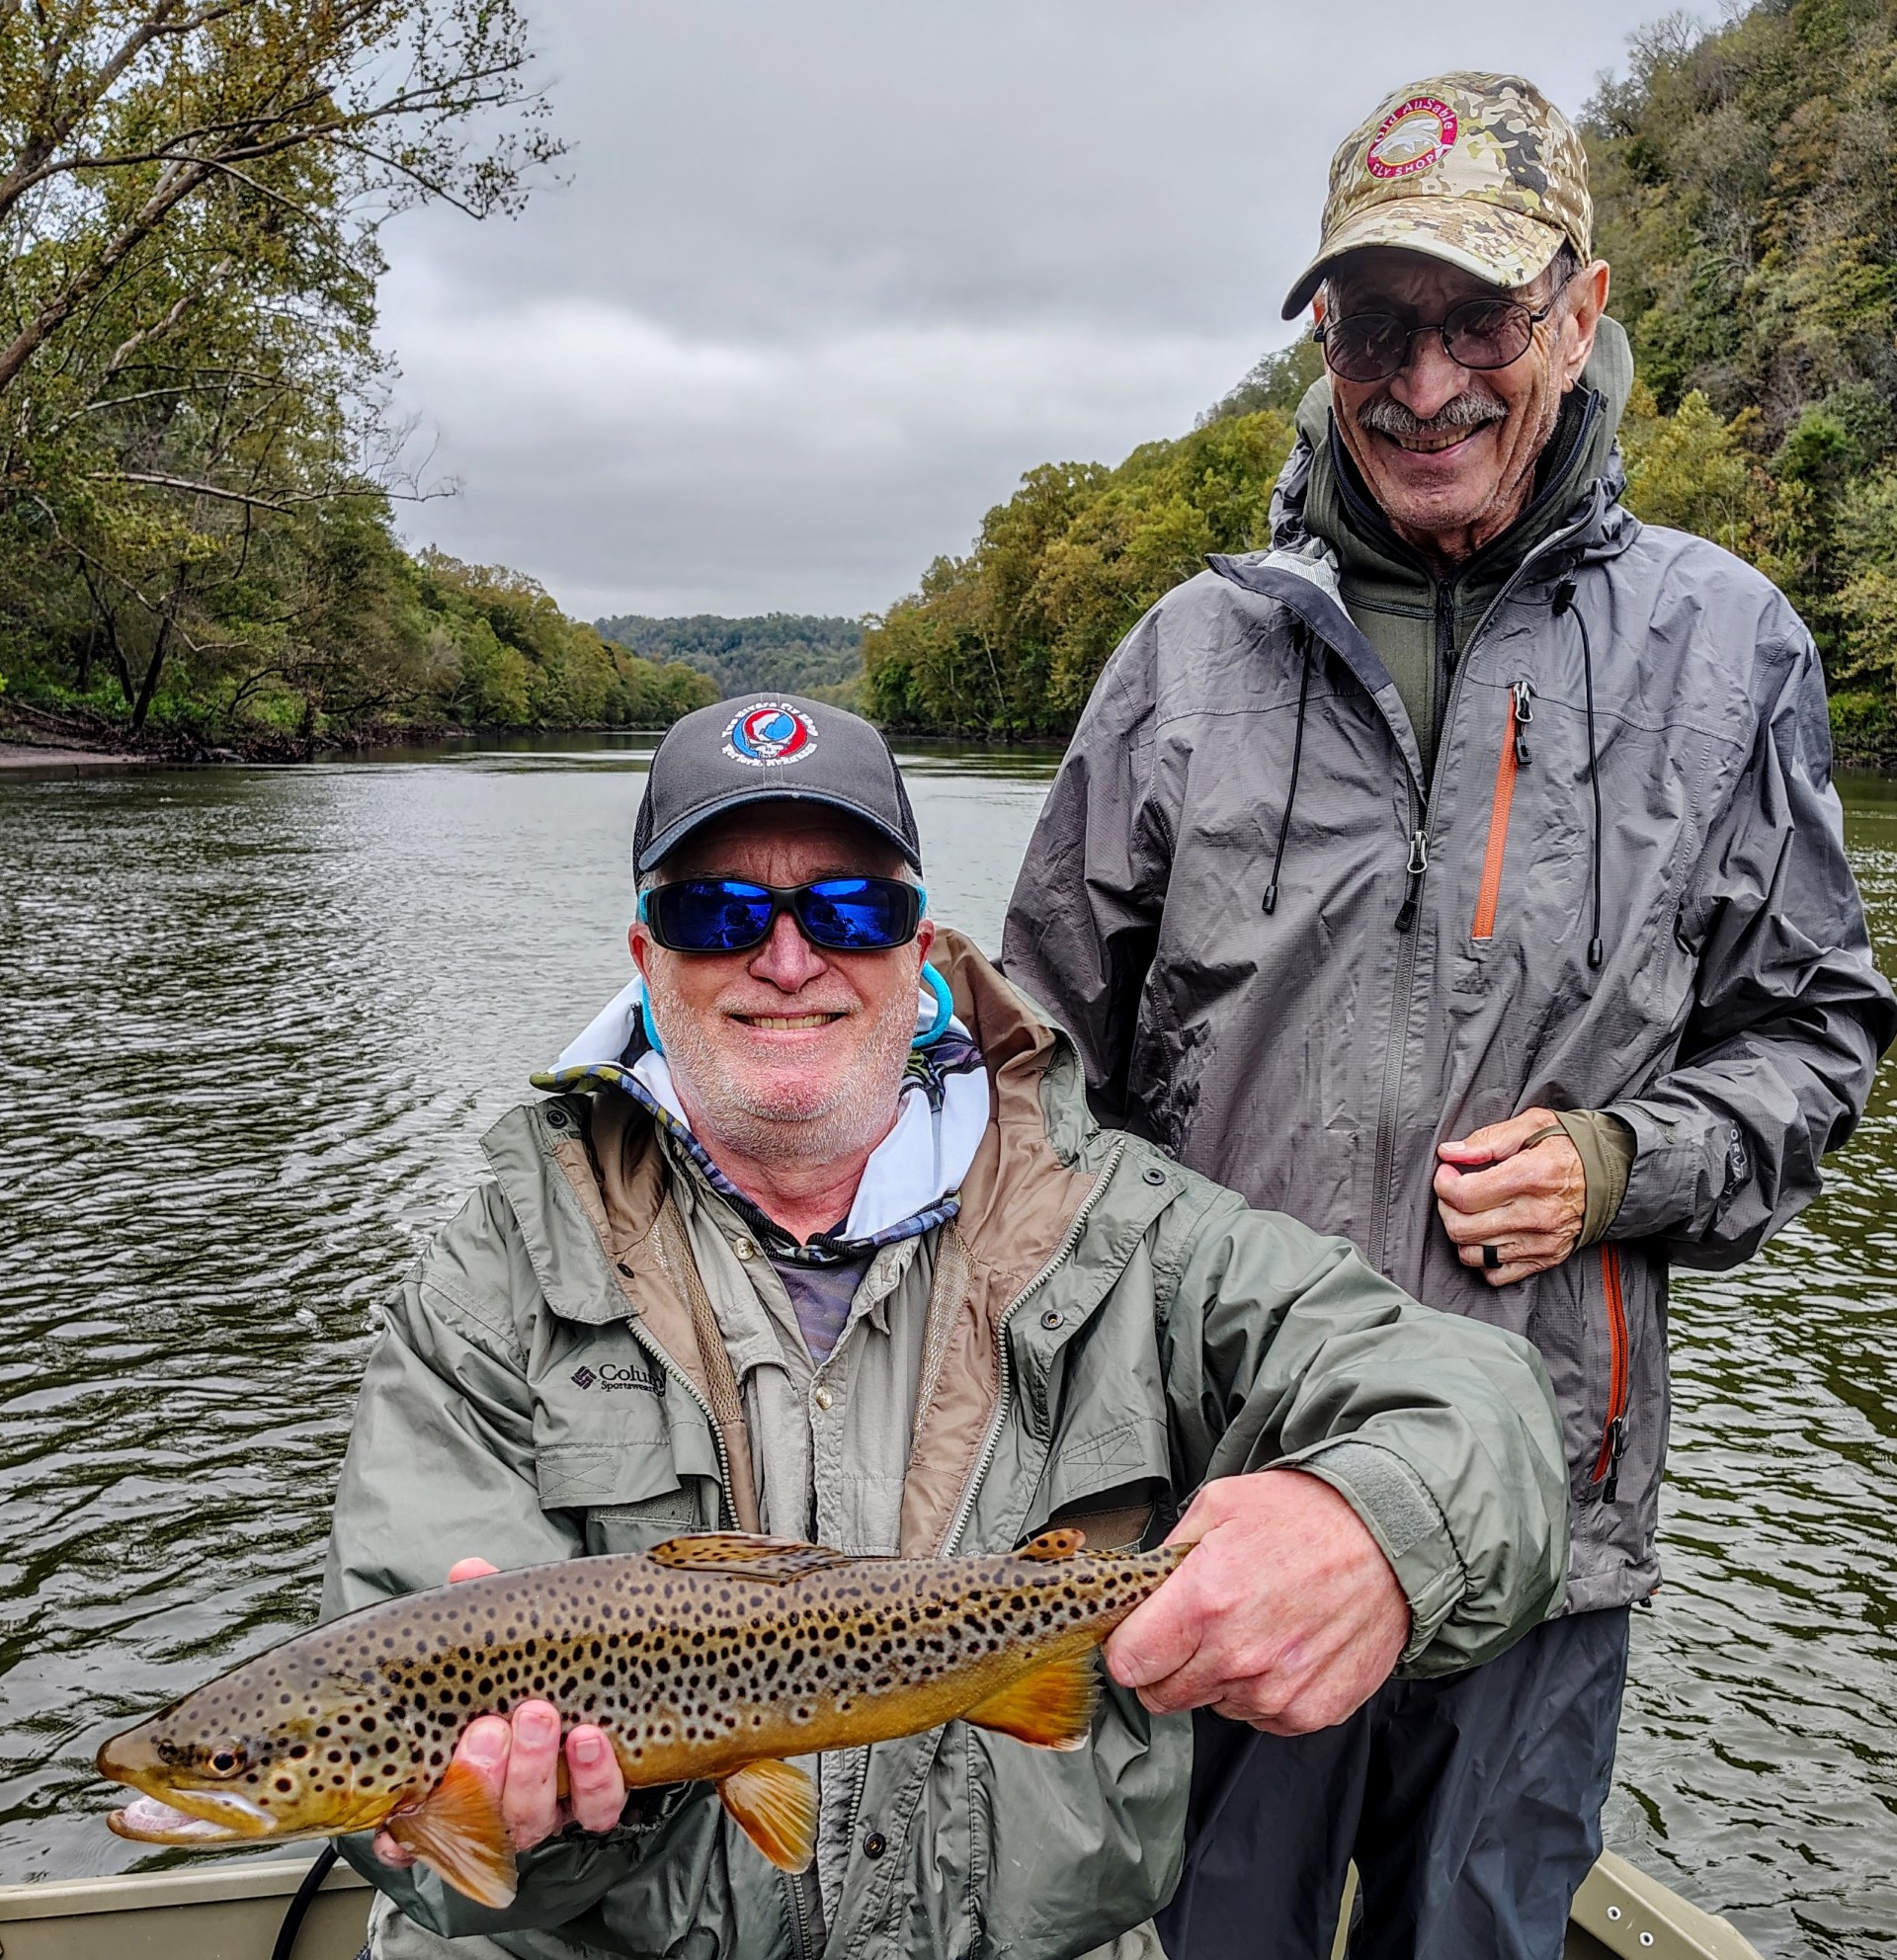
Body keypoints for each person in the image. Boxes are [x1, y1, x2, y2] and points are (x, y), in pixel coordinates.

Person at [1002, 70, 1897, 1960]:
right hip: (1224, 1518)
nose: (1424, 383)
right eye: (1374, 326)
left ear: (1579, 310)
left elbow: (1814, 1038)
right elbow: (1030, 1086)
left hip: (1545, 1524)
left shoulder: (1731, 648)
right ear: (1324, 340)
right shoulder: (1183, 657)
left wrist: (1625, 1161)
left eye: (1478, 319)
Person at [323, 694, 1570, 1960]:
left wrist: (1376, 1522)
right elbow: (406, 1822)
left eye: (849, 909)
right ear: (647, 956)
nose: (788, 958)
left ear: (918, 944)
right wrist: (526, 1820)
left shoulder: (1130, 1231)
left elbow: (1483, 1396)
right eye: (719, 913)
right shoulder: (491, 1283)